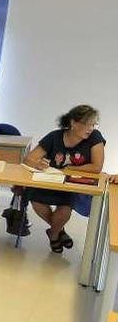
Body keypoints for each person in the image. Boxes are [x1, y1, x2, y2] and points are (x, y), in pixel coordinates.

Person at [24, 105, 105, 253]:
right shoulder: (54, 137)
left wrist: (69, 169)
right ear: (73, 123)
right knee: (35, 199)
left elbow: (96, 167)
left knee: (65, 209)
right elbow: (29, 159)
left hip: (73, 185)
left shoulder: (95, 137)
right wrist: (38, 163)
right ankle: (59, 231)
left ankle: (53, 234)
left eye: (94, 124)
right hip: (51, 181)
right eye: (88, 124)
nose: (91, 128)